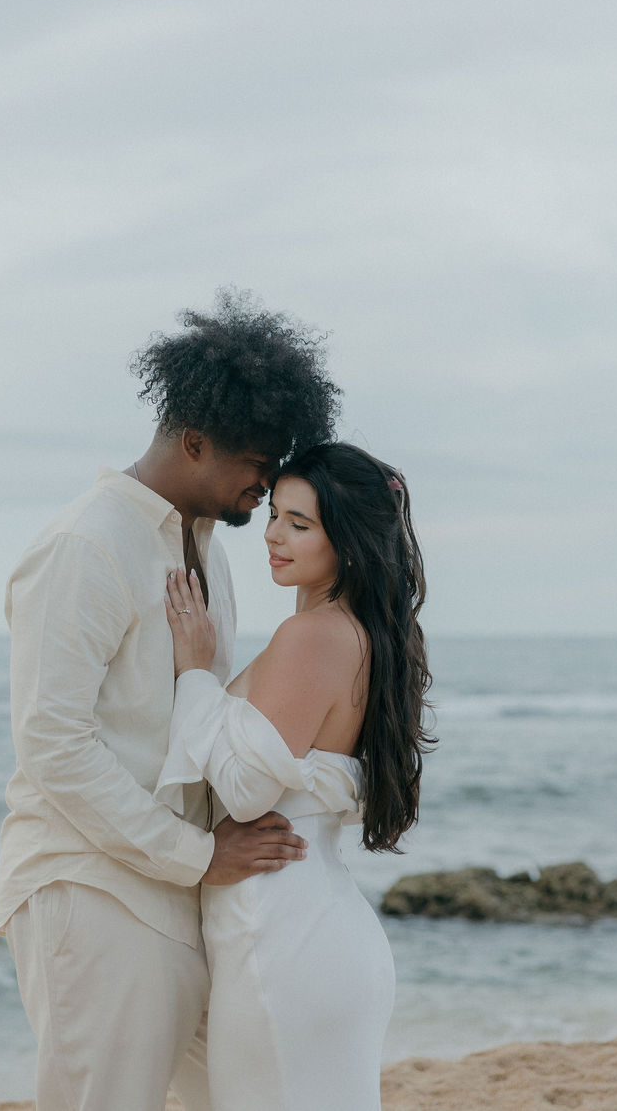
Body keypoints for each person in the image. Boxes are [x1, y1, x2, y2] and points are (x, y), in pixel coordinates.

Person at [0, 289, 340, 1111]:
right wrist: (197, 856)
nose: (265, 487)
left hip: (182, 889)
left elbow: (202, 718)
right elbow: (52, 744)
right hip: (94, 887)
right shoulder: (89, 545)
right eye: (256, 465)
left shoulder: (207, 552)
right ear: (194, 441)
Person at [156, 442, 435, 1110]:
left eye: (300, 524)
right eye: (276, 513)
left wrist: (195, 674)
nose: (273, 535)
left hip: (282, 935)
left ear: (350, 539)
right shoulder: (364, 632)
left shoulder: (313, 636)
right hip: (313, 925)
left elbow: (250, 791)